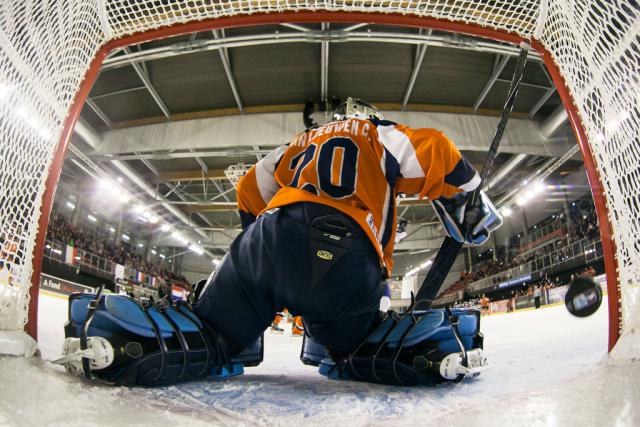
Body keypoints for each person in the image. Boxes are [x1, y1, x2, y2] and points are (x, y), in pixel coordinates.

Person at [58, 98, 502, 386]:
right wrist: (471, 197)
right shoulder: (378, 132)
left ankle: (116, 337)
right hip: (346, 252)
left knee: (213, 334)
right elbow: (438, 151)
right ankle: (419, 350)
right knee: (357, 348)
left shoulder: (297, 144)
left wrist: (259, 250)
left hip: (271, 235)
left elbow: (249, 189)